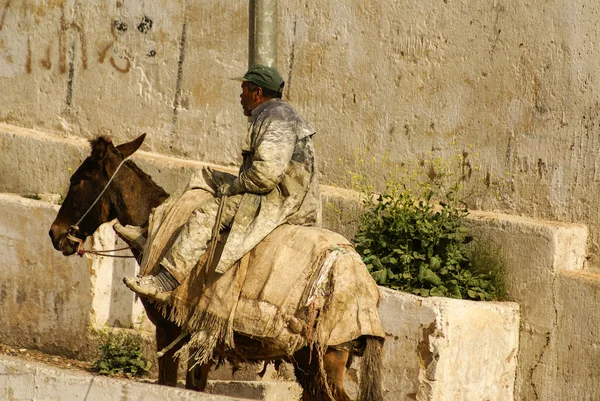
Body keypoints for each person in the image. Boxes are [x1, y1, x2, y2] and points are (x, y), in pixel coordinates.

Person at [121, 64, 321, 300]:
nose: (240, 95)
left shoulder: (277, 118)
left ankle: (166, 281)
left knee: (206, 213)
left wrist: (233, 188)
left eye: (244, 88)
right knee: (206, 176)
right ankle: (150, 229)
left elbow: (265, 176)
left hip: (281, 201)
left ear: (257, 93)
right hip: (277, 192)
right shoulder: (273, 114)